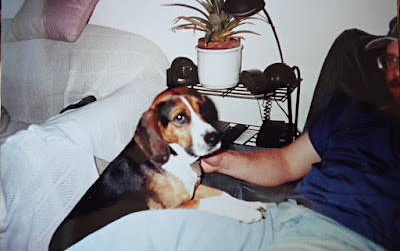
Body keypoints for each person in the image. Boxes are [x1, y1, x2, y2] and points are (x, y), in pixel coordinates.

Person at [67, 18, 400, 251]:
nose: (395, 71)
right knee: (135, 233)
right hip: (283, 216)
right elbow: (286, 162)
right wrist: (223, 159)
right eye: (391, 59)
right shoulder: (352, 111)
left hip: (341, 237)